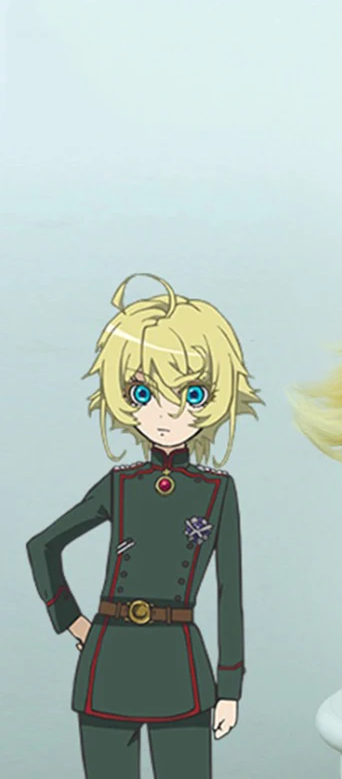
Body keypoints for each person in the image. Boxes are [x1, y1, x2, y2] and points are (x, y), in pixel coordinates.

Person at [27, 274, 261, 778]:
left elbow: (230, 594)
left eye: (192, 392)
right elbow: (42, 545)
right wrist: (72, 621)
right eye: (143, 392)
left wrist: (230, 689)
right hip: (109, 663)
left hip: (181, 669)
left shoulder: (218, 491)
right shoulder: (121, 484)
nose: (167, 412)